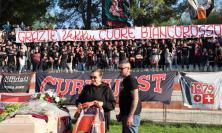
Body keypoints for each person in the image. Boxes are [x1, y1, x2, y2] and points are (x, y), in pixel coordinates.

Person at [117, 60, 142, 133]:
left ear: (128, 69)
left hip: (131, 115)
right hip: (126, 114)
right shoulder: (125, 80)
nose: (120, 70)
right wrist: (121, 113)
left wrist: (130, 116)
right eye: (119, 68)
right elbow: (126, 100)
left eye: (122, 68)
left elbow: (135, 99)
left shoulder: (131, 80)